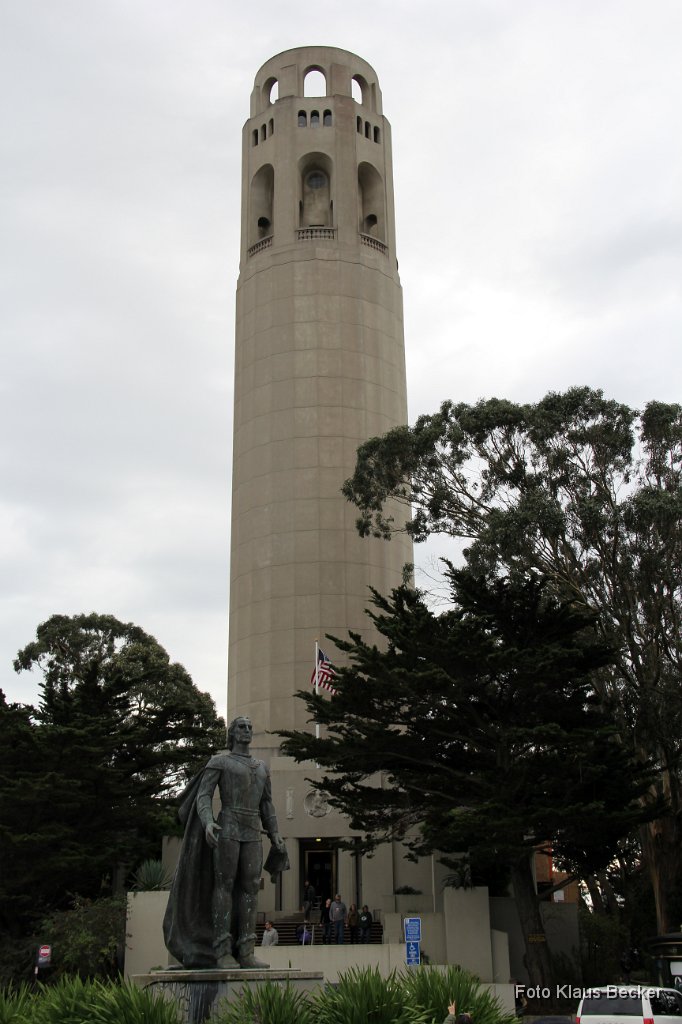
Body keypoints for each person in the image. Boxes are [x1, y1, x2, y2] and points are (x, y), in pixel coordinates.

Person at [163, 716, 288, 970]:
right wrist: (208, 821)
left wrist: (274, 832)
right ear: (232, 733)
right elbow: (204, 796)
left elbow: (267, 804)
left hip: (253, 830)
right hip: (228, 826)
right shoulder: (219, 762)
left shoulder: (262, 768)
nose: (247, 730)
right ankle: (221, 951)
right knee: (224, 885)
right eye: (242, 727)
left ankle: (246, 951)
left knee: (251, 886)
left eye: (250, 727)